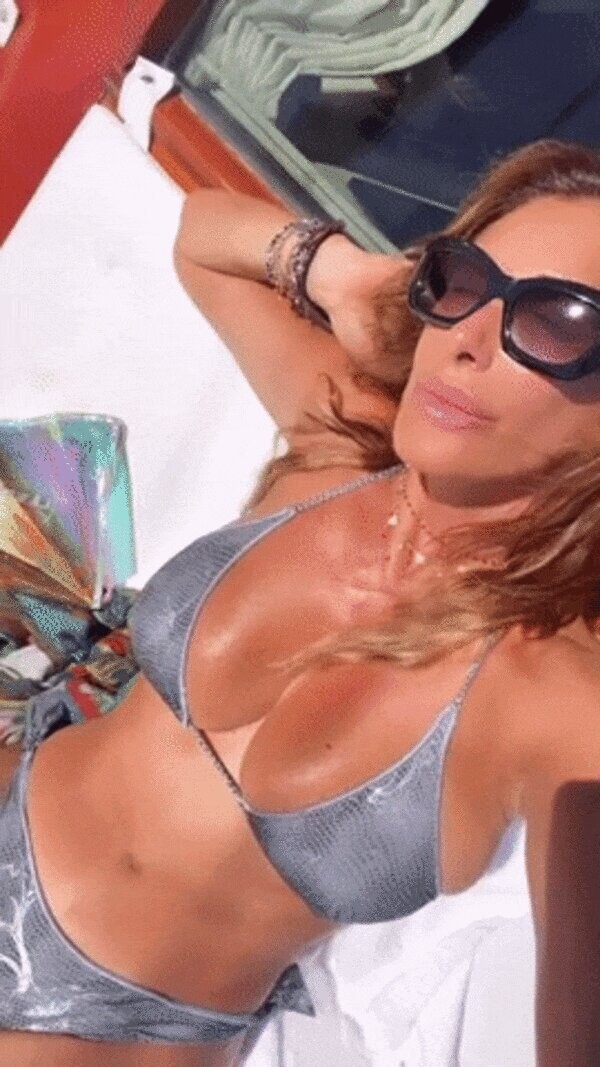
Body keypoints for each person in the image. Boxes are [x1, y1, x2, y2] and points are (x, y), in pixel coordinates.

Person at [0, 135, 599, 1067]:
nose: (471, 338)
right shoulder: (347, 443)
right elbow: (204, 238)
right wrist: (355, 282)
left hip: (98, 1037)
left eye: (556, 321)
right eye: (463, 280)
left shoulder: (557, 699)